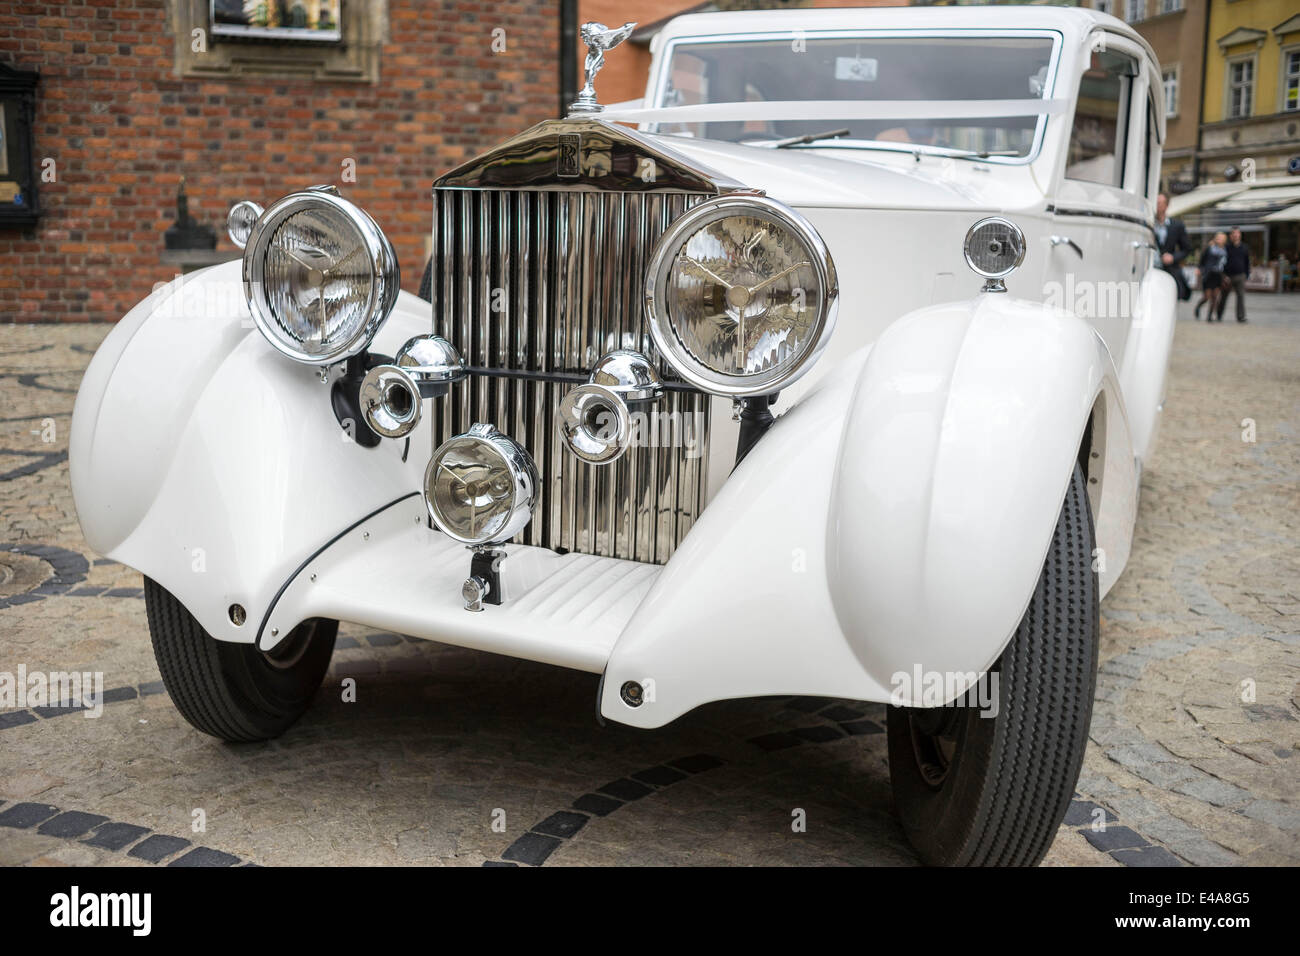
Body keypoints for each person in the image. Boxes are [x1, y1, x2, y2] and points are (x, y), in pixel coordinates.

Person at [1154, 193, 1192, 300]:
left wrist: (1173, 257)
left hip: (1169, 271)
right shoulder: (1149, 223)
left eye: (1160, 203)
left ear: (1166, 205)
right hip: (1151, 270)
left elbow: (1187, 249)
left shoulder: (1177, 226)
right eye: (1156, 203)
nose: (1157, 206)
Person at [1216, 227, 1251, 323]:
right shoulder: (1226, 247)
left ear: (1240, 235)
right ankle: (1219, 315)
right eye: (1234, 234)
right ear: (1230, 236)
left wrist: (1247, 274)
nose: (1236, 235)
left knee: (1241, 296)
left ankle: (1241, 317)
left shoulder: (1244, 247)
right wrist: (1223, 275)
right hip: (1228, 276)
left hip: (1240, 275)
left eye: (1237, 233)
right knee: (1223, 297)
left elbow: (1247, 262)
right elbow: (1221, 261)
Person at [1196, 233, 1229, 321]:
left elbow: (1226, 264)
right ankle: (1198, 307)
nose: (1219, 239)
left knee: (1215, 296)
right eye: (1218, 237)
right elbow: (1202, 260)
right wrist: (1200, 269)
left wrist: (1226, 276)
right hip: (1209, 274)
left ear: (1224, 240)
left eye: (1221, 238)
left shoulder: (1225, 250)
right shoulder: (1209, 249)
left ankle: (1210, 316)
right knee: (1207, 296)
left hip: (1218, 275)